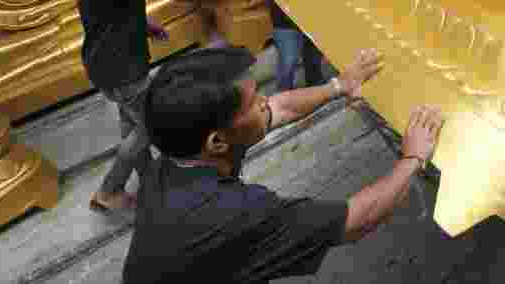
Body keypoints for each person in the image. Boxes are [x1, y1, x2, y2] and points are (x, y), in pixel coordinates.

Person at [122, 48, 444, 283]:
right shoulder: (233, 214)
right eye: (253, 101)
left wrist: (338, 86)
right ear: (217, 142)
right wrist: (412, 157)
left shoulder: (173, 157)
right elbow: (358, 219)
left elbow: (280, 107)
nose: (265, 101)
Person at [73, 0, 257, 213]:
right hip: (121, 66)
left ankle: (147, 182)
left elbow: (105, 2)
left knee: (132, 126)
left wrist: (143, 24)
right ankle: (109, 190)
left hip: (106, 62)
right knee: (150, 126)